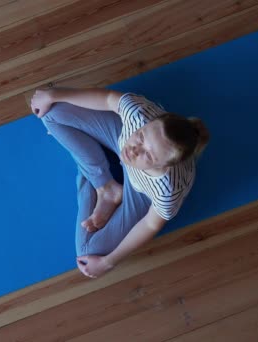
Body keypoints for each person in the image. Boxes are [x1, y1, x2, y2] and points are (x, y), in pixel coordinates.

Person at [31, 88, 209, 278]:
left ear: (162, 165)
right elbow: (108, 99)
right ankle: (106, 187)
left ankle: (88, 163)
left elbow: (150, 224)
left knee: (87, 251)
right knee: (52, 111)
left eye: (148, 155)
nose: (133, 150)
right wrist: (53, 95)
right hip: (117, 137)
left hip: (140, 191)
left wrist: (108, 262)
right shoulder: (138, 114)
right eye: (140, 137)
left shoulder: (167, 190)